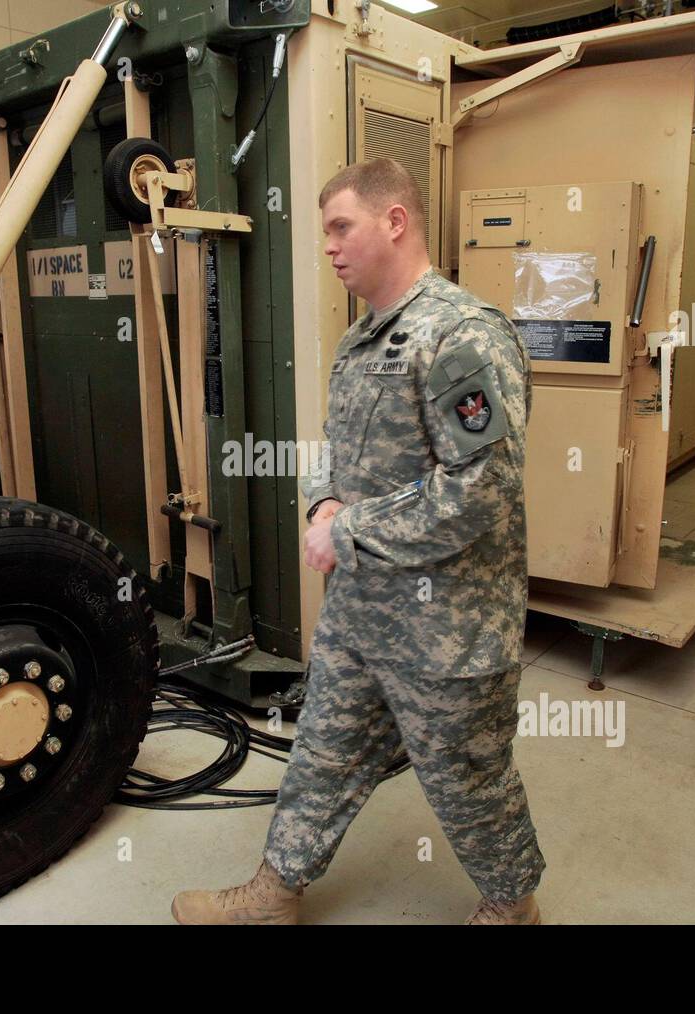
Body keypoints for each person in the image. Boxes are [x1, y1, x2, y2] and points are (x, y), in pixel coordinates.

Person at [171, 158, 545, 925]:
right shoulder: (362, 340)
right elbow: (335, 453)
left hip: (449, 629)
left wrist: (350, 529)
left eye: (342, 227)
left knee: (468, 777)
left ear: (395, 222)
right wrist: (322, 503)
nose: (331, 248)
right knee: (322, 753)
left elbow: (482, 489)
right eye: (327, 232)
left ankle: (512, 907)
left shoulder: (460, 336)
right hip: (362, 613)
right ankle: (274, 894)